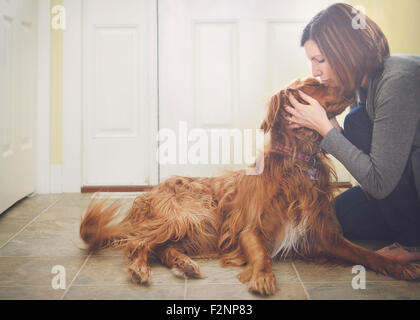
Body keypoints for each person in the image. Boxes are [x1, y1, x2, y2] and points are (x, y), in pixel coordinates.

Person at [283, 3, 420, 262]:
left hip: (404, 179)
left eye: (320, 60)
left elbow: (379, 183)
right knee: (336, 217)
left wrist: (324, 128)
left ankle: (413, 242)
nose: (315, 71)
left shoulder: (396, 82)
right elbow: (376, 166)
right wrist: (329, 126)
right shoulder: (363, 85)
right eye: (312, 61)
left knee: (356, 121)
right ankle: (404, 224)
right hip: (399, 184)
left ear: (346, 51)